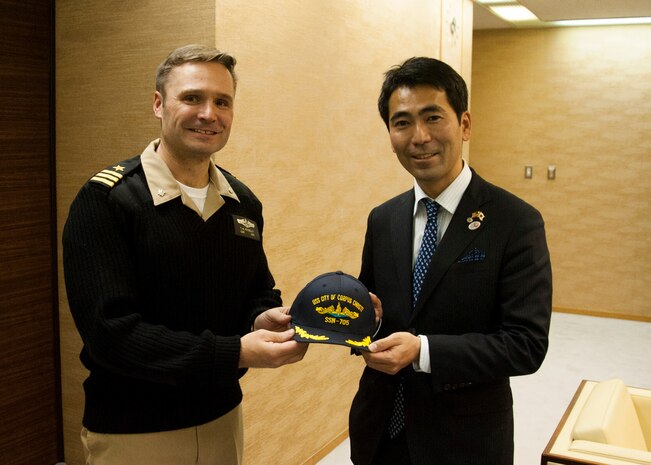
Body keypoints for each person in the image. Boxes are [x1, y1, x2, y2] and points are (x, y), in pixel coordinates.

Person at [62, 44, 307, 465]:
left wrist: (259, 318)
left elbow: (257, 291)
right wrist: (238, 353)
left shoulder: (242, 202)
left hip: (222, 417)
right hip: (135, 430)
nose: (209, 113)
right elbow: (111, 335)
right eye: (192, 97)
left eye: (222, 101)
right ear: (159, 104)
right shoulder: (106, 200)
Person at [348, 57, 552, 465]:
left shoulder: (515, 221)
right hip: (381, 430)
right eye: (402, 122)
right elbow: (374, 310)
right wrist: (357, 319)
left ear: (464, 124)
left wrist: (422, 351)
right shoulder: (383, 217)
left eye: (433, 117)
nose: (419, 137)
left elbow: (526, 345)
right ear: (389, 133)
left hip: (465, 441)